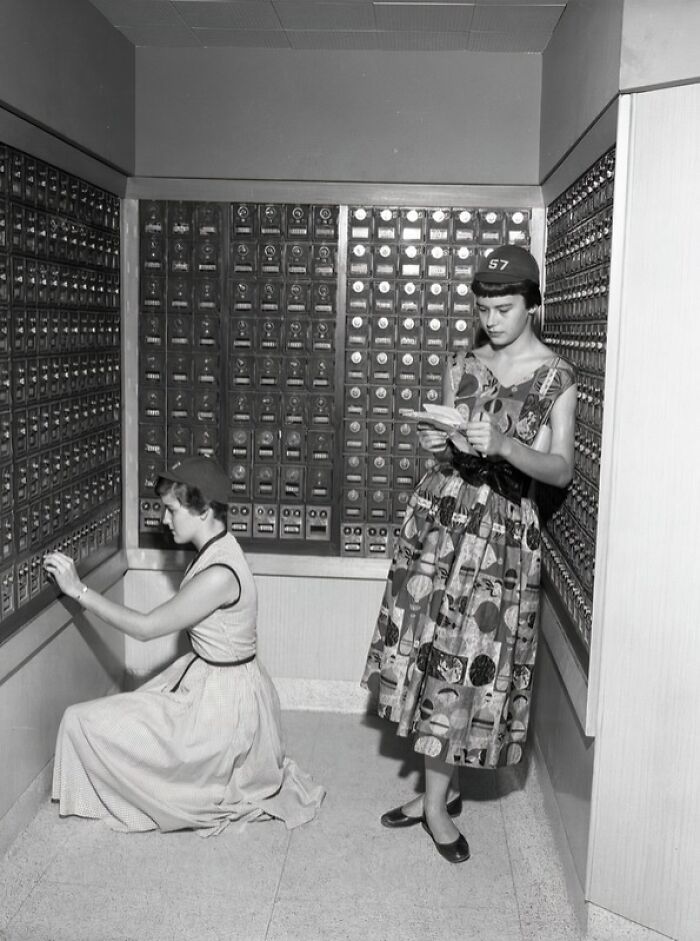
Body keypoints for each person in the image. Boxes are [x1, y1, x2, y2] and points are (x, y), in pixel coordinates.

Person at [361, 245, 576, 863]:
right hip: (442, 521)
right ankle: (435, 800)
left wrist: (506, 444)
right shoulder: (463, 363)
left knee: (470, 655)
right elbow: (451, 444)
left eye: (504, 308)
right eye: (483, 309)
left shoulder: (556, 377)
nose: (492, 320)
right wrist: (441, 437)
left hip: (504, 533)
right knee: (432, 650)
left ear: (533, 304)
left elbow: (560, 470)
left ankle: (437, 799)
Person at [43, 456, 325, 836]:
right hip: (217, 684)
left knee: (80, 720)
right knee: (118, 717)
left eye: (171, 510)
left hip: (222, 709)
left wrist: (78, 590)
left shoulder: (219, 575)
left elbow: (145, 629)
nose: (163, 520)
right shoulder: (220, 548)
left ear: (204, 510)